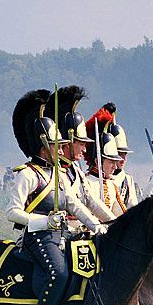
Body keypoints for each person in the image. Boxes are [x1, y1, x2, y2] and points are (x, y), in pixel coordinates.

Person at [5, 89, 108, 305]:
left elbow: (75, 204)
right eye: (56, 145)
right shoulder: (27, 174)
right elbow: (12, 212)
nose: (60, 149)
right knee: (58, 274)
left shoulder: (58, 174)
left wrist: (96, 224)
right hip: (37, 237)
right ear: (43, 146)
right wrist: (44, 221)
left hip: (62, 235)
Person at [47, 86, 116, 231]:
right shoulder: (52, 171)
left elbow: (92, 201)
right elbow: (73, 204)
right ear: (69, 142)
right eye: (81, 144)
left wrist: (117, 223)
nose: (85, 149)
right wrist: (96, 226)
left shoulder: (76, 170)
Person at [83, 107, 126, 216]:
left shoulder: (112, 186)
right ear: (98, 161)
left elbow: (121, 215)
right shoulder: (86, 182)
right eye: (111, 162)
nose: (115, 167)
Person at [102, 102, 139, 209]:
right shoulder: (95, 179)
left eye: (125, 154)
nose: (123, 159)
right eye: (119, 155)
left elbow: (133, 206)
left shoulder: (127, 180)